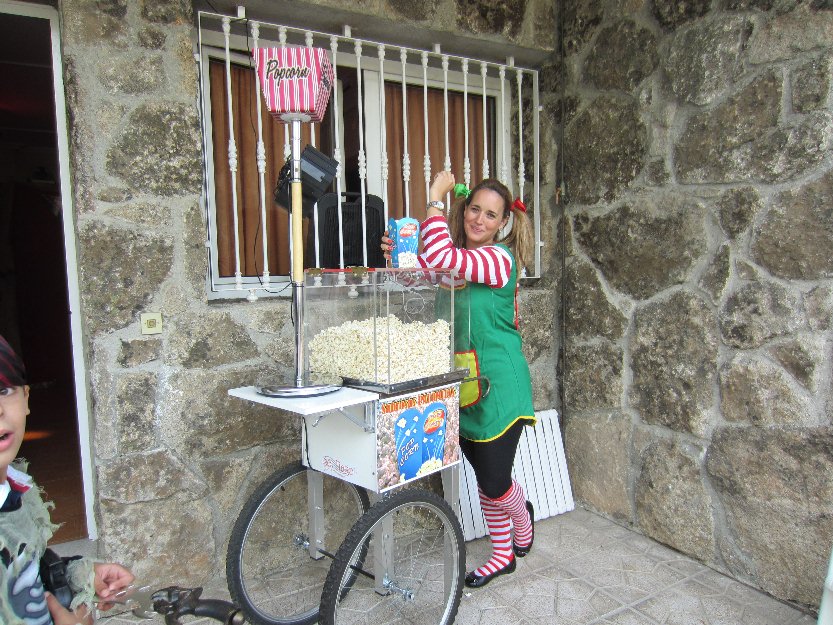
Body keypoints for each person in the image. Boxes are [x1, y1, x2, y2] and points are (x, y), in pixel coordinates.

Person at [383, 171, 536, 588]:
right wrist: (400, 250)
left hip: (500, 384)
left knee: (493, 478)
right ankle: (504, 553)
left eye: (490, 215)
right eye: (474, 209)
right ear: (465, 210)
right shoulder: (460, 262)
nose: (479, 220)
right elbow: (424, 270)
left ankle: (521, 511)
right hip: (465, 383)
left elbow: (445, 258)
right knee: (485, 475)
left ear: (502, 223)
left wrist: (434, 198)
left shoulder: (497, 260)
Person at [0, 335, 134, 624]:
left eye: (3, 390)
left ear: (26, 398)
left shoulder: (15, 490)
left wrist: (81, 576)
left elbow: (25, 569)